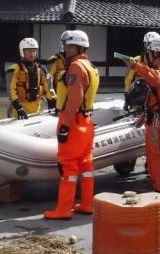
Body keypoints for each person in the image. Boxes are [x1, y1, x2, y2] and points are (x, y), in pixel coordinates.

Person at [44, 30, 100, 220]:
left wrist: (66, 126)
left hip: (74, 121)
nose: (65, 50)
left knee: (68, 165)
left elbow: (74, 99)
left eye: (68, 46)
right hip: (87, 120)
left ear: (78, 47)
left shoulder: (75, 67)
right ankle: (87, 204)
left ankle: (63, 209)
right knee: (86, 164)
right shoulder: (91, 66)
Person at [126, 35, 160, 203]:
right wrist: (143, 115)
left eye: (149, 52)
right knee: (152, 157)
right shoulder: (159, 71)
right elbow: (153, 97)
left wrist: (136, 66)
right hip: (154, 120)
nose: (147, 55)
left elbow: (155, 78)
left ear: (155, 53)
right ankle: (158, 189)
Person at [8, 37, 56, 119]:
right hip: (19, 110)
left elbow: (48, 89)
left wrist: (53, 103)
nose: (32, 53)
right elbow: (11, 90)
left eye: (34, 50)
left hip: (37, 109)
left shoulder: (42, 69)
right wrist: (19, 107)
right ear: (22, 51)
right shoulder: (15, 69)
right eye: (29, 51)